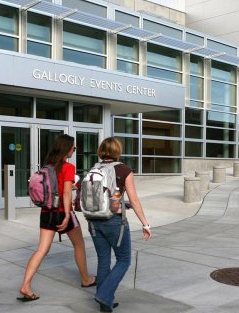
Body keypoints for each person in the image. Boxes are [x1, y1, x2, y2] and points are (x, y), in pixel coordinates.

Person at [18, 134, 96, 301]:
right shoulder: (68, 167)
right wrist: (67, 215)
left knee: (42, 250)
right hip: (62, 212)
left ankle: (26, 284)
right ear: (67, 148)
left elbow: (58, 189)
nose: (74, 151)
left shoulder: (48, 166)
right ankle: (86, 279)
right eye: (74, 148)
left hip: (47, 212)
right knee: (79, 244)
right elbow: (66, 192)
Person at [88, 137, 152, 312]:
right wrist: (145, 224)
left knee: (103, 260)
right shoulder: (124, 170)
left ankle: (105, 302)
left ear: (102, 151)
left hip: (93, 221)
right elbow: (134, 199)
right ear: (118, 151)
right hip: (113, 222)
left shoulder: (94, 168)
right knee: (124, 260)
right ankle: (104, 295)